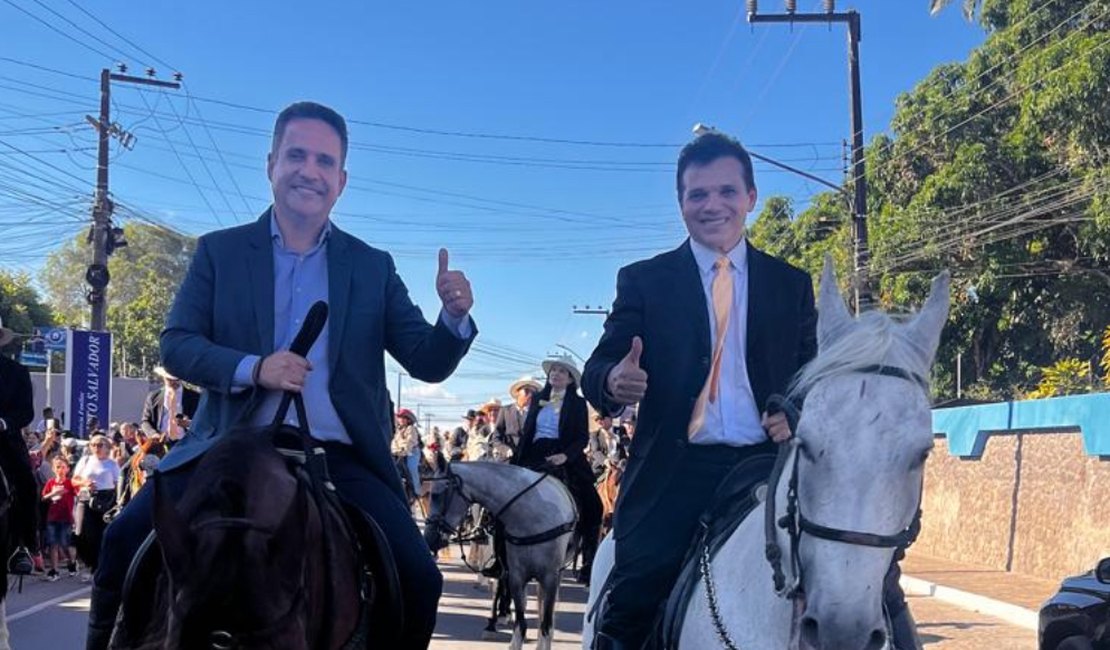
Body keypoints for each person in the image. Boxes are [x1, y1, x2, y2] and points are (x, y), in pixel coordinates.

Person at [86, 100, 476, 650]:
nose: (309, 170)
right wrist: (255, 368)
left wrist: (453, 318)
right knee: (123, 541)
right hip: (223, 448)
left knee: (418, 577)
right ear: (271, 163)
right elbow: (177, 345)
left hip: (338, 458)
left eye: (324, 161)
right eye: (296, 155)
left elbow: (427, 360)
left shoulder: (372, 266)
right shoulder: (218, 252)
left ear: (341, 180)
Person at [581, 131, 818, 649]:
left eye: (727, 191)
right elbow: (597, 368)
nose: (713, 205)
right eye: (698, 194)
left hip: (767, 469)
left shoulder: (790, 283)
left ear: (750, 198)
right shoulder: (645, 280)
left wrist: (795, 410)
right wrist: (614, 381)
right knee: (632, 604)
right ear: (681, 202)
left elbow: (812, 374)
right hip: (672, 473)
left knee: (855, 587)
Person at [514, 354, 603, 584]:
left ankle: (589, 563)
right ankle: (500, 559)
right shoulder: (538, 399)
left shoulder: (578, 403)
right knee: (502, 498)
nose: (556, 374)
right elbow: (527, 434)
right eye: (553, 370)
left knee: (594, 505)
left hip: (564, 455)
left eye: (562, 371)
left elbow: (582, 437)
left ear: (571, 379)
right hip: (533, 453)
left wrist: (565, 456)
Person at [0, 320, 38, 576]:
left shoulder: (16, 372)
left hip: (3, 439)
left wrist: (4, 422)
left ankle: (23, 546)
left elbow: (25, 412)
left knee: (27, 482)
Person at [72, 434, 120, 581]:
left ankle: (97, 567)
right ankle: (87, 563)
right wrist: (84, 483)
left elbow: (117, 484)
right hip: (86, 498)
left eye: (100, 445)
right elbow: (74, 480)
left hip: (105, 500)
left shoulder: (112, 464)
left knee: (101, 535)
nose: (96, 448)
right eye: (93, 445)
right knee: (81, 533)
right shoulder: (85, 460)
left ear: (107, 448)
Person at [140, 366, 199, 445]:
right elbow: (145, 421)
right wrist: (153, 434)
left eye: (177, 380)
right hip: (161, 443)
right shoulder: (153, 397)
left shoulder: (195, 397)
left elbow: (204, 422)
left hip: (187, 443)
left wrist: (188, 424)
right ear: (164, 378)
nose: (174, 382)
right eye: (170, 379)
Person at [41, 456, 78, 580]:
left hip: (66, 517)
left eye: (63, 467)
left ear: (67, 469)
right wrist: (53, 493)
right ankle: (54, 570)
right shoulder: (51, 482)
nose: (60, 470)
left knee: (65, 544)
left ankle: (72, 562)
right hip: (52, 517)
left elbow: (78, 492)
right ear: (53, 468)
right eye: (58, 467)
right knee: (53, 544)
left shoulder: (70, 482)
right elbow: (44, 497)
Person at [495, 375, 539, 454]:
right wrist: (505, 450)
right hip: (508, 458)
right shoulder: (505, 411)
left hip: (529, 459)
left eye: (534, 392)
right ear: (518, 392)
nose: (530, 395)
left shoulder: (537, 413)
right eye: (527, 391)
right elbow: (496, 436)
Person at [391, 408, 423, 499]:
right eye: (399, 417)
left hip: (412, 453)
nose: (399, 419)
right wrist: (394, 451)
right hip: (398, 453)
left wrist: (403, 451)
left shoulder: (411, 429)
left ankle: (416, 491)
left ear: (408, 420)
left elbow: (410, 442)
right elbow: (393, 443)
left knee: (411, 468)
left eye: (402, 417)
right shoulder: (398, 431)